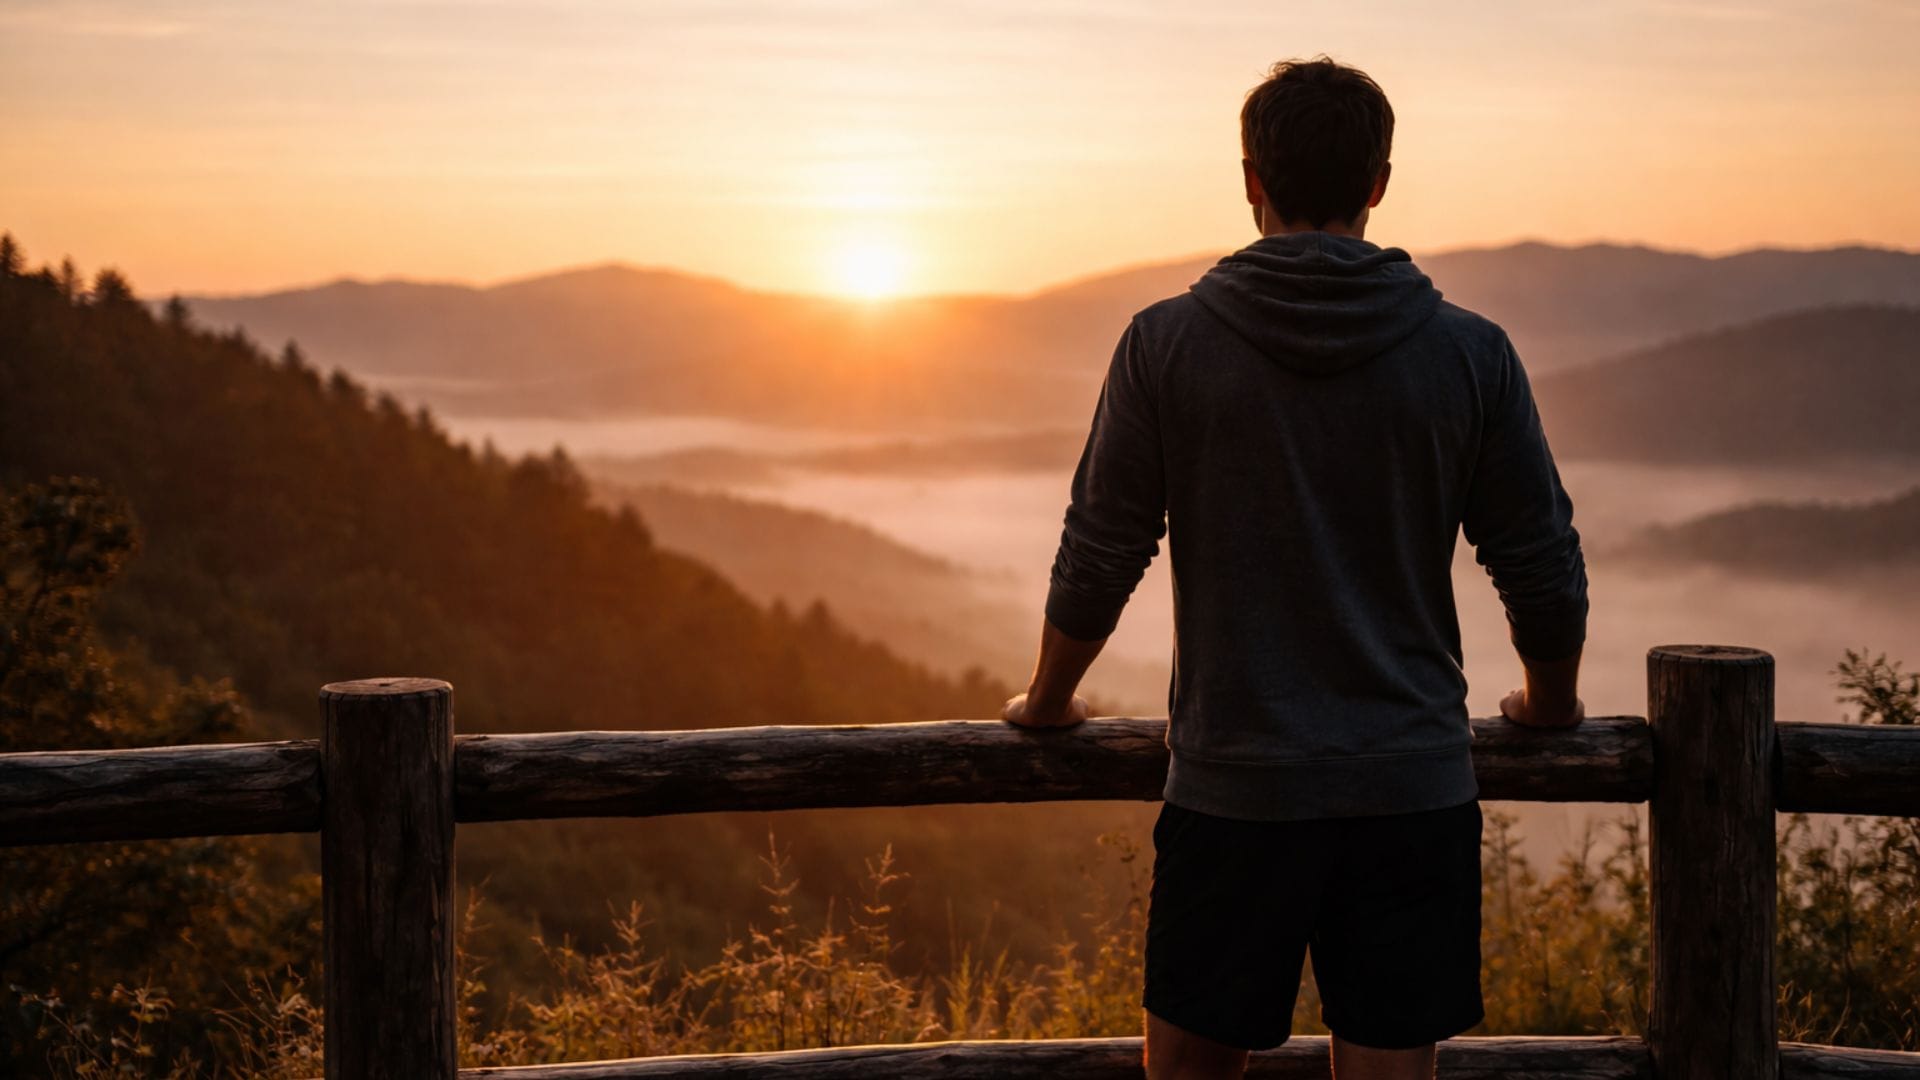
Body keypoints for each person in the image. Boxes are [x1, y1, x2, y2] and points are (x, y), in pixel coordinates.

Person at [1001, 56, 1590, 1080]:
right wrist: (1549, 706)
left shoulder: (1165, 346)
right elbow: (1539, 561)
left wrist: (1049, 700)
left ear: (1248, 180)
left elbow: (1103, 546)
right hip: (1411, 791)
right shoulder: (1470, 355)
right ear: (1378, 182)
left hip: (1234, 789)